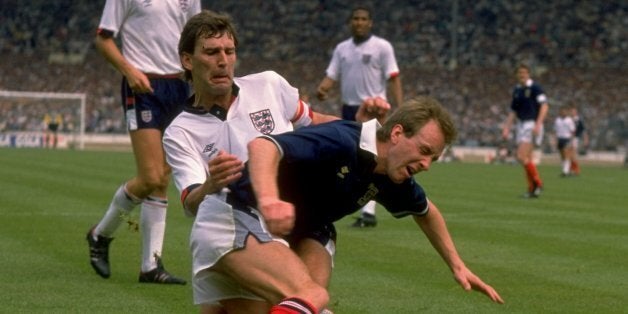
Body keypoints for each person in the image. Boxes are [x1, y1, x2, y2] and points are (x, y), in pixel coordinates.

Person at [161, 10, 389, 313]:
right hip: (231, 228)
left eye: (229, 51)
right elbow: (190, 202)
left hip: (297, 220)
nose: (223, 60)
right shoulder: (180, 131)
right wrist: (211, 184)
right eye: (211, 52)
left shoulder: (268, 84)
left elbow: (314, 121)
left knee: (306, 299)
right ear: (187, 60)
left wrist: (358, 128)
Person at [190, 96, 504, 313]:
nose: (426, 164)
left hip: (303, 230)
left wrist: (458, 267)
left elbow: (427, 212)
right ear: (396, 133)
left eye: (433, 158)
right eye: (424, 150)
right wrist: (271, 199)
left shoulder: (393, 177)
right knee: (311, 296)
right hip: (237, 211)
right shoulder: (343, 138)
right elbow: (263, 146)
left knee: (307, 303)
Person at [86, 0, 201, 284]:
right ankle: (100, 234)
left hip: (179, 86)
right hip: (143, 86)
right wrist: (129, 70)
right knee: (150, 176)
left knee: (162, 177)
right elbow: (103, 39)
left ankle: (150, 266)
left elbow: (196, 34)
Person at [316, 5, 403, 228]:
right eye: (356, 18)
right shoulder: (342, 49)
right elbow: (331, 75)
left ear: (370, 22)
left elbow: (393, 77)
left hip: (375, 109)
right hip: (349, 109)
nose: (359, 22)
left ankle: (369, 211)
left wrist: (400, 107)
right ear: (350, 22)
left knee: (373, 157)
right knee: (351, 159)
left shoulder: (382, 47)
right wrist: (323, 89)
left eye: (364, 19)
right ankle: (358, 205)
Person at [501, 64, 549, 198]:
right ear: (516, 75)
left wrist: (538, 124)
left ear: (529, 74)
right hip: (521, 125)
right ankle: (532, 189)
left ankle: (538, 183)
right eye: (519, 73)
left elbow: (544, 106)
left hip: (531, 124)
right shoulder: (517, 90)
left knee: (521, 156)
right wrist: (507, 127)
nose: (522, 75)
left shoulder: (535, 88)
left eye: (524, 73)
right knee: (527, 159)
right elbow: (513, 111)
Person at [553, 105, 576, 177]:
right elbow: (555, 131)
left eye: (565, 111)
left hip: (567, 138)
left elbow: (572, 131)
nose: (563, 112)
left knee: (566, 154)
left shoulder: (569, 120)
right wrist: (555, 140)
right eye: (562, 111)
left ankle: (565, 171)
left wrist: (572, 141)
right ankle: (565, 169)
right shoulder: (557, 120)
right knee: (562, 155)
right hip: (560, 139)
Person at [570, 105, 587, 175]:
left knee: (573, 154)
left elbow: (583, 130)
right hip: (568, 138)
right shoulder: (569, 119)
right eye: (571, 111)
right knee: (569, 155)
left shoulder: (579, 120)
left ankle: (576, 169)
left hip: (575, 138)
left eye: (573, 111)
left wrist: (586, 138)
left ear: (576, 112)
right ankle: (571, 169)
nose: (572, 112)